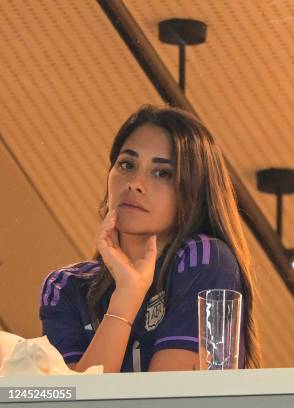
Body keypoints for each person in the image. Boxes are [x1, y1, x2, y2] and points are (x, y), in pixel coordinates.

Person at [39, 105, 261, 372]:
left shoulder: (204, 258)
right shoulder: (65, 287)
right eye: (127, 165)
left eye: (163, 173)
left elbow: (168, 396)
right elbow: (71, 401)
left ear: (194, 192)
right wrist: (126, 295)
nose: (135, 183)